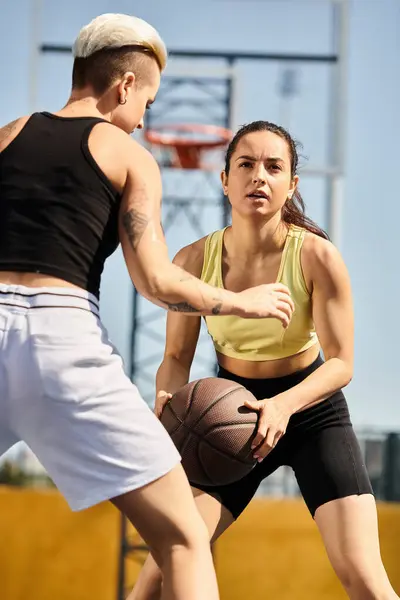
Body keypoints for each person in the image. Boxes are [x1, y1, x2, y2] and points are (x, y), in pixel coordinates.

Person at [0, 15, 296, 600]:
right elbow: (157, 281)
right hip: (60, 339)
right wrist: (244, 302)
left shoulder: (6, 135)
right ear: (126, 86)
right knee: (183, 537)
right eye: (148, 103)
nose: (143, 118)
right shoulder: (127, 154)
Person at [131, 120, 399, 600]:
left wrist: (283, 406)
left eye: (274, 167)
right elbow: (175, 355)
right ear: (225, 179)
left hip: (312, 411)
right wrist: (167, 399)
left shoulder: (317, 256)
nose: (259, 176)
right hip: (228, 417)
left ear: (291, 184)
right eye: (246, 164)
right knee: (157, 573)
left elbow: (342, 364)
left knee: (364, 578)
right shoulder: (193, 261)